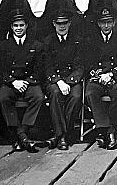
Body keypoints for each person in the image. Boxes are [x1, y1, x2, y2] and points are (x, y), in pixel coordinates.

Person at [0, 13, 47, 153]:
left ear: (26, 26)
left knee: (38, 97)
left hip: (29, 82)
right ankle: (23, 136)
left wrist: (27, 81)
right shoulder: (4, 45)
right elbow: (1, 69)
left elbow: (39, 69)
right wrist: (13, 82)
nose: (18, 28)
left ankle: (21, 133)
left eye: (21, 25)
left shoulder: (36, 45)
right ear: (11, 27)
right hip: (11, 83)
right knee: (4, 97)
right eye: (16, 26)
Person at [80, 7, 117, 150]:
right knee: (90, 93)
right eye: (103, 23)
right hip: (98, 78)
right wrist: (99, 75)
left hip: (113, 77)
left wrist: (111, 75)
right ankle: (106, 130)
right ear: (98, 24)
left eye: (109, 22)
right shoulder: (91, 40)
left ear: (114, 23)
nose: (106, 26)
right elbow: (88, 63)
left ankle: (108, 129)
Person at [43, 10, 86, 150]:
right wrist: (59, 81)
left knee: (76, 95)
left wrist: (69, 81)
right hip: (55, 81)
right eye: (59, 23)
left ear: (70, 23)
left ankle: (59, 135)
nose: (62, 26)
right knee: (55, 94)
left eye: (65, 23)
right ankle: (63, 136)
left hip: (72, 79)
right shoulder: (48, 42)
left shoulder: (77, 40)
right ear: (54, 24)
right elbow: (47, 67)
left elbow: (80, 66)